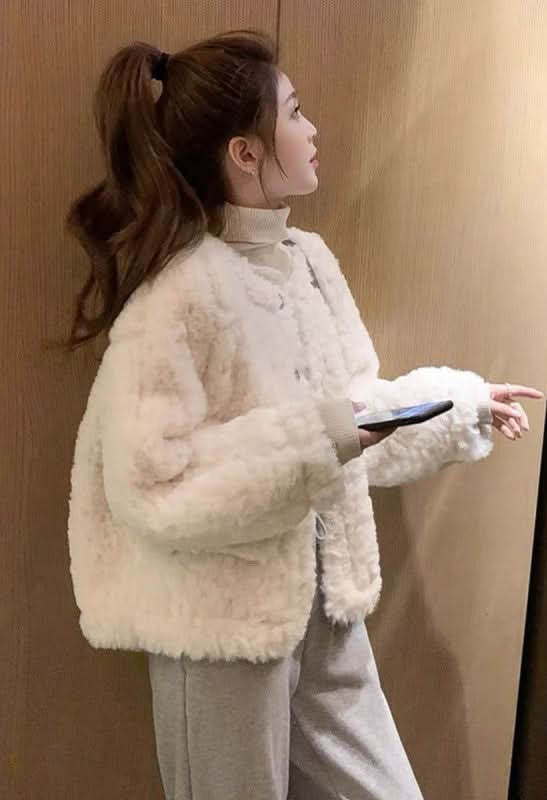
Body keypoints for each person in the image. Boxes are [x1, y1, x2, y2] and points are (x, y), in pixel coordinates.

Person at [66, 30, 543, 800]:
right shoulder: (178, 296)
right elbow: (154, 487)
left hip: (328, 609)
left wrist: (459, 406)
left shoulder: (309, 264)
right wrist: (317, 440)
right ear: (244, 153)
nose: (312, 129)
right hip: (220, 632)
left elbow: (353, 415)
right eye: (293, 112)